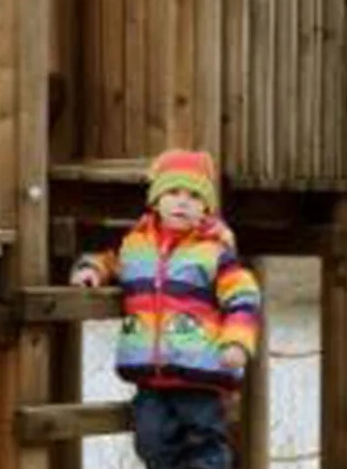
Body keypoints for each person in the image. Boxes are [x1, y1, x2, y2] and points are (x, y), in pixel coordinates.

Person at [70, 148, 261, 469]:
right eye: (173, 192)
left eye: (193, 196)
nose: (182, 202)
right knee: (150, 442)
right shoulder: (135, 245)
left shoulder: (214, 252)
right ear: (156, 200)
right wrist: (92, 269)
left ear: (205, 208)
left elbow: (243, 296)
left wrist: (238, 342)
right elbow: (110, 261)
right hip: (151, 378)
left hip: (200, 376)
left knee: (205, 448)